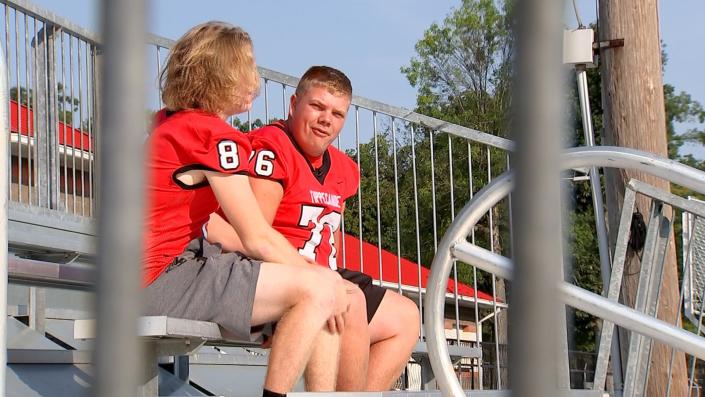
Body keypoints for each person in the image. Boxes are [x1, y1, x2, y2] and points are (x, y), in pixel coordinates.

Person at [142, 23, 350, 396]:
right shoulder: (210, 134)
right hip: (162, 277)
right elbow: (256, 236)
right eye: (247, 64)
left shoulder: (173, 121)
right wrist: (322, 276)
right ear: (223, 72)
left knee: (321, 294)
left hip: (166, 271)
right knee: (321, 288)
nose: (254, 77)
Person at [208, 66, 420, 391]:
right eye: (317, 107)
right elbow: (252, 236)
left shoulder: (345, 169)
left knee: (405, 317)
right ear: (294, 105)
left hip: (321, 271)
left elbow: (331, 235)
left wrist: (331, 272)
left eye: (337, 113)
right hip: (275, 274)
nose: (326, 119)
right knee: (351, 302)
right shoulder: (272, 147)